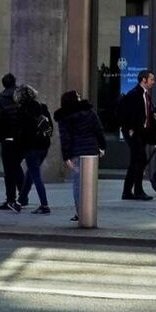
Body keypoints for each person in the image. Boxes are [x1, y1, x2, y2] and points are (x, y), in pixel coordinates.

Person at [56, 90, 105, 225]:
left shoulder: (64, 116)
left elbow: (65, 138)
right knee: (90, 183)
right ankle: (89, 212)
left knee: (78, 184)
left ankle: (81, 212)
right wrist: (101, 146)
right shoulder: (89, 112)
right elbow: (98, 129)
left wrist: (66, 156)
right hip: (91, 150)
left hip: (76, 152)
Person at [117, 69, 156, 201]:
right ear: (144, 80)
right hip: (134, 133)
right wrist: (130, 128)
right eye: (151, 79)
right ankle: (137, 190)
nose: (153, 82)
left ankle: (127, 191)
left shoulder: (146, 95)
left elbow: (145, 113)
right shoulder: (133, 94)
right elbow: (125, 113)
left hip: (142, 133)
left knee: (137, 161)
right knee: (140, 159)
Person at [14, 80, 53, 213]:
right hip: (44, 146)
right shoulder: (42, 107)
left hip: (30, 148)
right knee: (30, 173)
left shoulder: (21, 111)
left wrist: (19, 147)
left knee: (35, 176)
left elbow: (20, 133)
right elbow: (50, 128)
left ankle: (44, 205)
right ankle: (19, 202)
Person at [0, 73, 24, 210]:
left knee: (9, 170)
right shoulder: (22, 97)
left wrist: (0, 137)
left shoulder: (1, 100)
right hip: (22, 138)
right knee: (16, 166)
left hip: (8, 139)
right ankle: (23, 196)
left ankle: (11, 198)